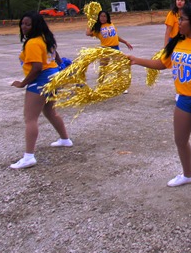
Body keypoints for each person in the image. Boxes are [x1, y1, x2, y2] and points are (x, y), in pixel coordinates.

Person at [128, 2, 191, 216]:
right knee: (180, 140)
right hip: (183, 99)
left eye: (182, 19)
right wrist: (137, 60)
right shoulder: (177, 43)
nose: (179, 22)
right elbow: (161, 64)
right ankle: (188, 174)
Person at [10, 11, 72, 169]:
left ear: (35, 25)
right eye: (22, 23)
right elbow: (55, 54)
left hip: (42, 80)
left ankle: (29, 156)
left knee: (30, 118)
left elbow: (37, 67)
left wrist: (23, 83)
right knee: (50, 112)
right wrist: (59, 65)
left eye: (28, 24)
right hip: (53, 78)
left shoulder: (33, 43)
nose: (24, 27)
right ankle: (65, 139)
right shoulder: (46, 38)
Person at [86, 10, 133, 92]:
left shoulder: (111, 24)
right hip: (105, 49)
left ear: (107, 17)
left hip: (115, 48)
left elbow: (116, 36)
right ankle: (99, 86)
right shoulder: (97, 28)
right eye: (101, 16)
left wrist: (125, 42)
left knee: (118, 67)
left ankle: (121, 86)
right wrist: (90, 22)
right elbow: (88, 33)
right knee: (103, 68)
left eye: (104, 16)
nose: (103, 18)